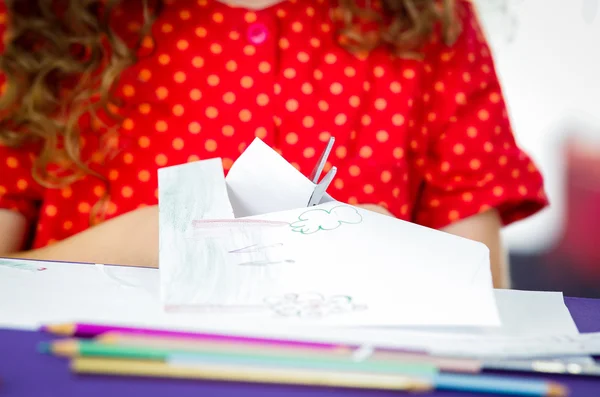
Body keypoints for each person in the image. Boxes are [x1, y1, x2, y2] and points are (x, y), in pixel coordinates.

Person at [0, 0, 547, 288]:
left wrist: (388, 254)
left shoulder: (432, 20)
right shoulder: (35, 26)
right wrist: (137, 245)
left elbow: (483, 291)